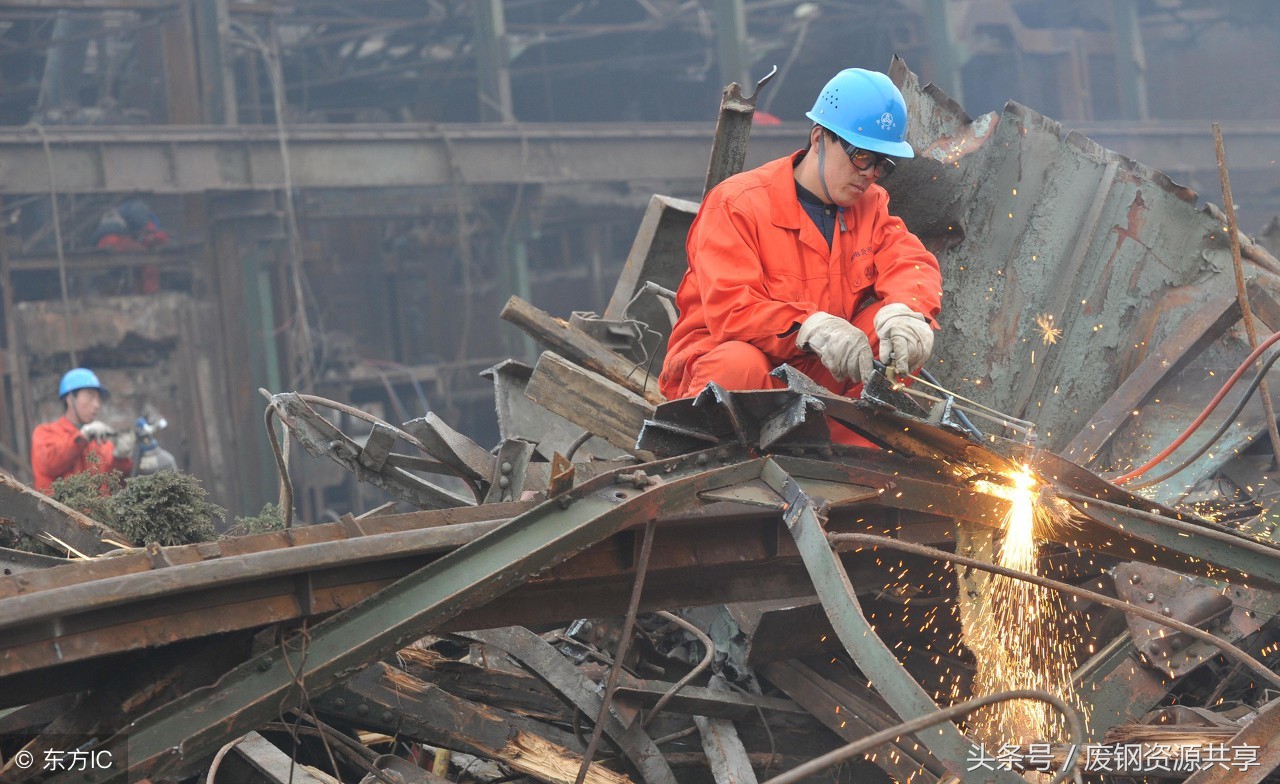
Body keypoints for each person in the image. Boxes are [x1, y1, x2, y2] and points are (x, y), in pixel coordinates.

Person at [659, 68, 941, 442]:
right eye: (861, 156)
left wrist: (909, 311)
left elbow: (910, 262)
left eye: (881, 164)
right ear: (819, 138)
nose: (869, 174)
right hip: (738, 368)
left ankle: (844, 463)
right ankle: (727, 461)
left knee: (893, 337)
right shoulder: (737, 204)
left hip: (815, 374)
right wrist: (811, 328)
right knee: (737, 365)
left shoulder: (871, 204)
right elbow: (731, 309)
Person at [31, 368, 133, 493]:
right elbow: (51, 464)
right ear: (70, 398)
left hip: (96, 512)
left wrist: (120, 458)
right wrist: (82, 438)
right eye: (90, 396)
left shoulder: (101, 442)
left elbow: (116, 485)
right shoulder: (45, 433)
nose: (96, 405)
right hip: (56, 512)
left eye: (98, 399)